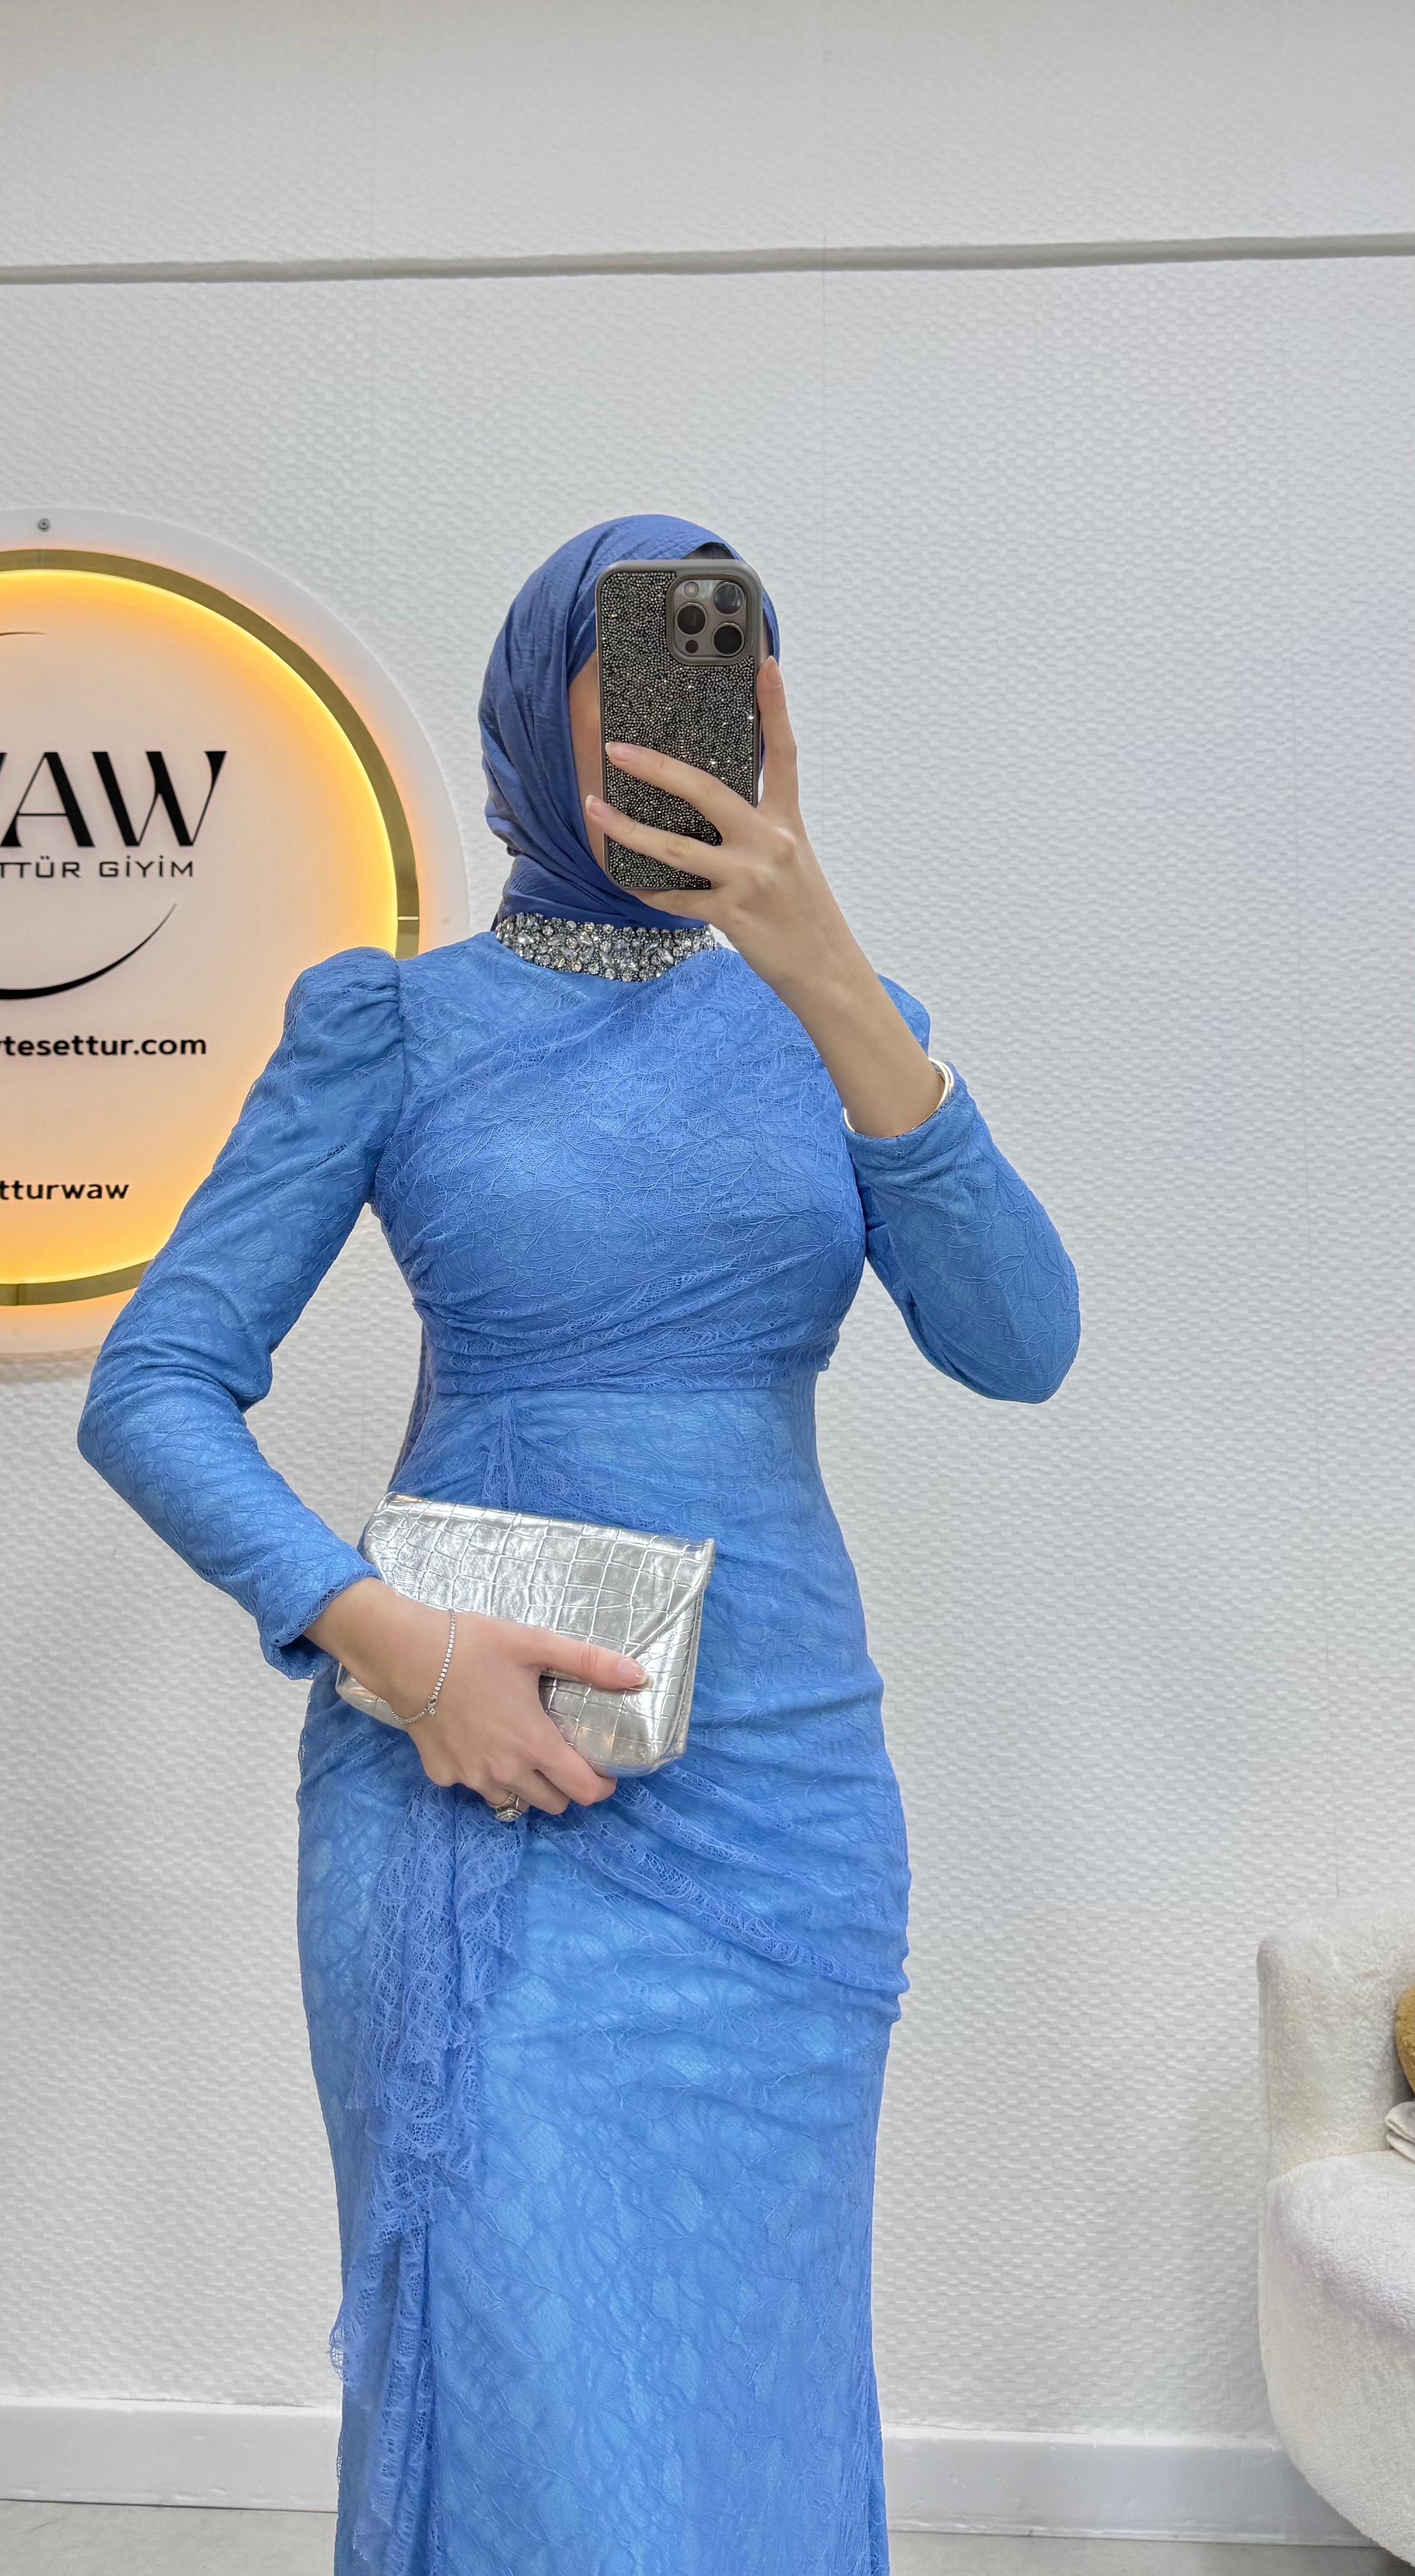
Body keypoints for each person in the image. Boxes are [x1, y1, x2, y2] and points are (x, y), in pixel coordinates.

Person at [78, 513, 1079, 2576]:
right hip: (474, 1797)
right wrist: (387, 1642)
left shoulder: (845, 1020)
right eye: (639, 671)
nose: (688, 725)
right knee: (534, 2386)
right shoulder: (394, 1024)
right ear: (544, 711)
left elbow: (1021, 1345)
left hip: (782, 1799)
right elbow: (153, 1383)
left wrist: (822, 965)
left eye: (735, 670)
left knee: (745, 2381)